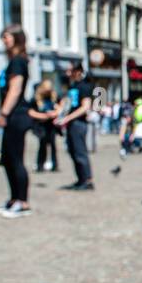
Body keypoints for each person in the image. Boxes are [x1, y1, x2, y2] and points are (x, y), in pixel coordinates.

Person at [0, 24, 33, 218]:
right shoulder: (13, 61)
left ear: (17, 38)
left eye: (7, 37)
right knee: (7, 158)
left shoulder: (18, 62)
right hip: (13, 116)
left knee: (16, 159)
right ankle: (13, 198)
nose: (4, 41)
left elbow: (15, 90)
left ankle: (22, 201)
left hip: (17, 116)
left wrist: (4, 113)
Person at [54, 62, 94, 190]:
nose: (67, 73)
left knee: (80, 152)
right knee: (73, 151)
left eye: (70, 70)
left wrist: (67, 118)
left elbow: (85, 107)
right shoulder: (73, 86)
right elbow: (66, 104)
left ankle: (87, 181)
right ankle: (80, 179)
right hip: (71, 123)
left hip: (79, 123)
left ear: (77, 71)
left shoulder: (84, 86)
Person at [31, 79, 60, 173]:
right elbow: (31, 112)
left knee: (53, 145)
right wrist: (43, 116)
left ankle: (54, 165)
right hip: (41, 125)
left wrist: (55, 113)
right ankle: (40, 165)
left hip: (51, 125)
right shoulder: (36, 99)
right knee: (42, 145)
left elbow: (60, 108)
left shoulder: (54, 97)